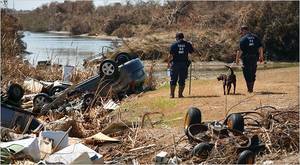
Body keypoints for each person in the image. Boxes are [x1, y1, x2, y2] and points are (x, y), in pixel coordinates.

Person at [236, 25, 264, 93]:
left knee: (246, 73)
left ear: (244, 30)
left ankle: (249, 89)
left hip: (246, 58)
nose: (241, 33)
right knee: (253, 72)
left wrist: (237, 59)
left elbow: (240, 51)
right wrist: (261, 56)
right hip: (254, 58)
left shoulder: (243, 39)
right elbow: (260, 48)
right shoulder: (256, 37)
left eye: (241, 31)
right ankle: (251, 89)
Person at [168, 32, 194, 98]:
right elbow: (191, 53)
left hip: (175, 64)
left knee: (173, 79)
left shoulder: (174, 44)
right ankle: (180, 94)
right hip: (184, 64)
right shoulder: (188, 44)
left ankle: (172, 95)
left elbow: (170, 55)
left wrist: (168, 63)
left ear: (177, 38)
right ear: (183, 37)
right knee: (182, 79)